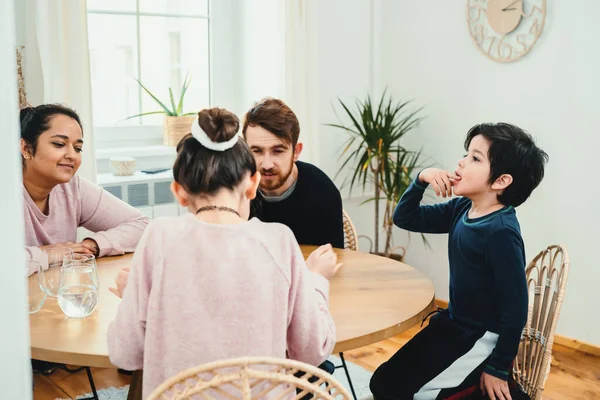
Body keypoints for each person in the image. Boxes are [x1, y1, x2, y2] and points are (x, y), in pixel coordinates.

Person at [107, 108, 340, 398]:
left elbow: (124, 354)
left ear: (179, 192)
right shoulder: (279, 240)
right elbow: (312, 350)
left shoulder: (159, 238)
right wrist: (316, 280)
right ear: (252, 184)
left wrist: (133, 295)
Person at [369, 123, 548, 400]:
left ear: (501, 181)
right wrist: (421, 180)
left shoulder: (501, 232)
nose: (461, 162)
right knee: (382, 382)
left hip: (481, 336)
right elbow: (406, 218)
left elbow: (515, 308)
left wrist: (499, 367)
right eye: (466, 154)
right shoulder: (463, 208)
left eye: (475, 158)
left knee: (412, 393)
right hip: (453, 325)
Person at [20, 104, 149, 276]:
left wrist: (92, 246)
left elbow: (143, 226)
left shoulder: (73, 188)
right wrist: (47, 254)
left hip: (55, 297)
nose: (72, 155)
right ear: (27, 149)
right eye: (59, 144)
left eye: (78, 148)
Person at [243, 97, 344, 249]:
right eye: (257, 151)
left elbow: (333, 260)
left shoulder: (323, 192)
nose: (267, 164)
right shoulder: (234, 189)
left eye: (277, 151)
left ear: (296, 152)